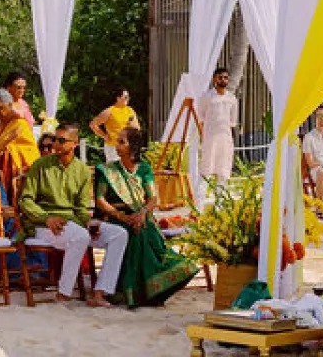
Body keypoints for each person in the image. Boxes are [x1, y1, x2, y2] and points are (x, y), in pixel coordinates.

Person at [22, 124, 128, 307]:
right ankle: (63, 295)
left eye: (61, 140)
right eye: (55, 139)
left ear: (74, 144)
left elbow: (80, 207)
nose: (56, 144)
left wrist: (89, 222)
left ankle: (99, 293)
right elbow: (25, 201)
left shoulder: (82, 170)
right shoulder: (40, 165)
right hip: (43, 225)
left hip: (74, 224)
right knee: (80, 236)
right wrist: (45, 218)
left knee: (119, 234)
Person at [94, 127, 196, 307]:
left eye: (121, 141)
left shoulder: (144, 169)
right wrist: (122, 216)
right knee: (134, 233)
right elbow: (100, 200)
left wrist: (141, 214)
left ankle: (149, 290)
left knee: (145, 231)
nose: (116, 145)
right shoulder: (108, 170)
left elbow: (153, 198)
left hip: (140, 216)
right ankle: (130, 291)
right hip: (115, 216)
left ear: (133, 147)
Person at [197, 69, 238, 183]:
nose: (223, 80)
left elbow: (232, 122)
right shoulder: (206, 96)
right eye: (221, 77)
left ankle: (222, 200)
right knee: (206, 170)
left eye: (226, 77)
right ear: (215, 79)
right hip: (210, 139)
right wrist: (203, 137)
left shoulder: (232, 99)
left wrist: (229, 140)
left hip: (225, 140)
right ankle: (199, 200)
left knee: (223, 171)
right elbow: (200, 119)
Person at [0, 90, 40, 171]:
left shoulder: (20, 124)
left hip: (18, 174)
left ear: (9, 105)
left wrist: (6, 149)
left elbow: (28, 152)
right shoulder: (1, 126)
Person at [89, 89, 138, 162]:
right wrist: (104, 136)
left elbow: (137, 128)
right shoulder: (109, 111)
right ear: (118, 98)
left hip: (127, 147)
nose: (128, 99)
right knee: (114, 171)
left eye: (128, 97)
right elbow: (93, 124)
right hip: (113, 148)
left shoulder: (130, 110)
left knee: (126, 172)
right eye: (125, 97)